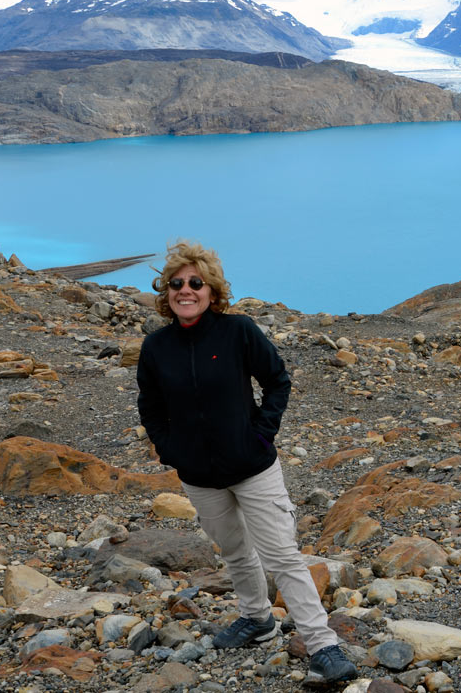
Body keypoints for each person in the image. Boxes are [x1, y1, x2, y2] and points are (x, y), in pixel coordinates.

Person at [136, 241, 357, 684]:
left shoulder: (238, 332)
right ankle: (257, 618)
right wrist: (171, 450)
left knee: (282, 556)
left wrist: (260, 434)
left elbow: (277, 381)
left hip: (253, 467)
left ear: (211, 291)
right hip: (200, 477)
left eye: (196, 282)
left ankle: (322, 645)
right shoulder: (156, 347)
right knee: (235, 552)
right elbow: (151, 407)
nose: (186, 289)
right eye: (177, 283)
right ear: (166, 291)